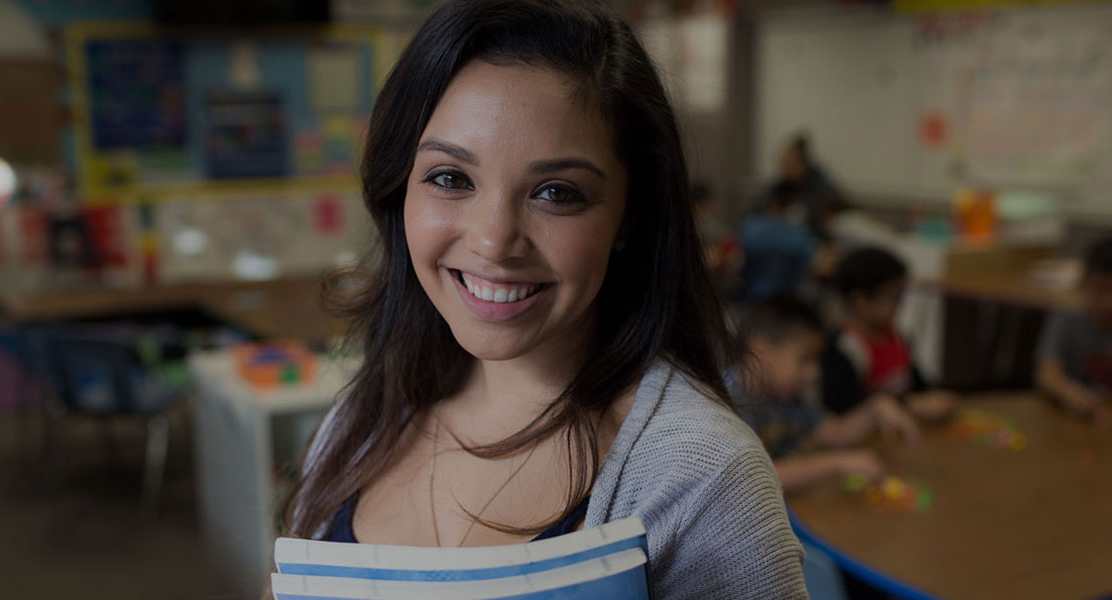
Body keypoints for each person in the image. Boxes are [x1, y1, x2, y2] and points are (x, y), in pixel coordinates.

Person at [279, 1, 807, 598]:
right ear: (399, 186)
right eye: (450, 178)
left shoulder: (700, 476)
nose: (493, 240)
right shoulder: (360, 422)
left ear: (628, 214)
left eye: (557, 192)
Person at [734, 295, 918, 494]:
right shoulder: (730, 400)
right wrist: (836, 464)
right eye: (804, 359)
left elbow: (835, 432)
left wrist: (875, 408)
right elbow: (755, 478)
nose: (814, 373)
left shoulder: (784, 395)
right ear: (761, 350)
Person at [821, 246, 957, 422]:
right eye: (894, 297)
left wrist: (935, 398)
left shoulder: (897, 338)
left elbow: (917, 384)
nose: (901, 305)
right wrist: (911, 406)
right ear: (859, 300)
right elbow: (846, 408)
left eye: (901, 296)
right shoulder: (844, 348)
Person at [1036, 229, 1112, 424]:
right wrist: (1069, 393)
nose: (1110, 302)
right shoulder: (1067, 317)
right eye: (1100, 289)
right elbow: (1047, 375)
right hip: (1070, 421)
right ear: (1083, 283)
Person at [765, 133, 839, 240]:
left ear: (801, 162)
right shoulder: (781, 185)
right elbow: (760, 207)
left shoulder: (821, 187)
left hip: (812, 239)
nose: (785, 169)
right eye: (783, 164)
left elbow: (823, 221)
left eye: (789, 164)